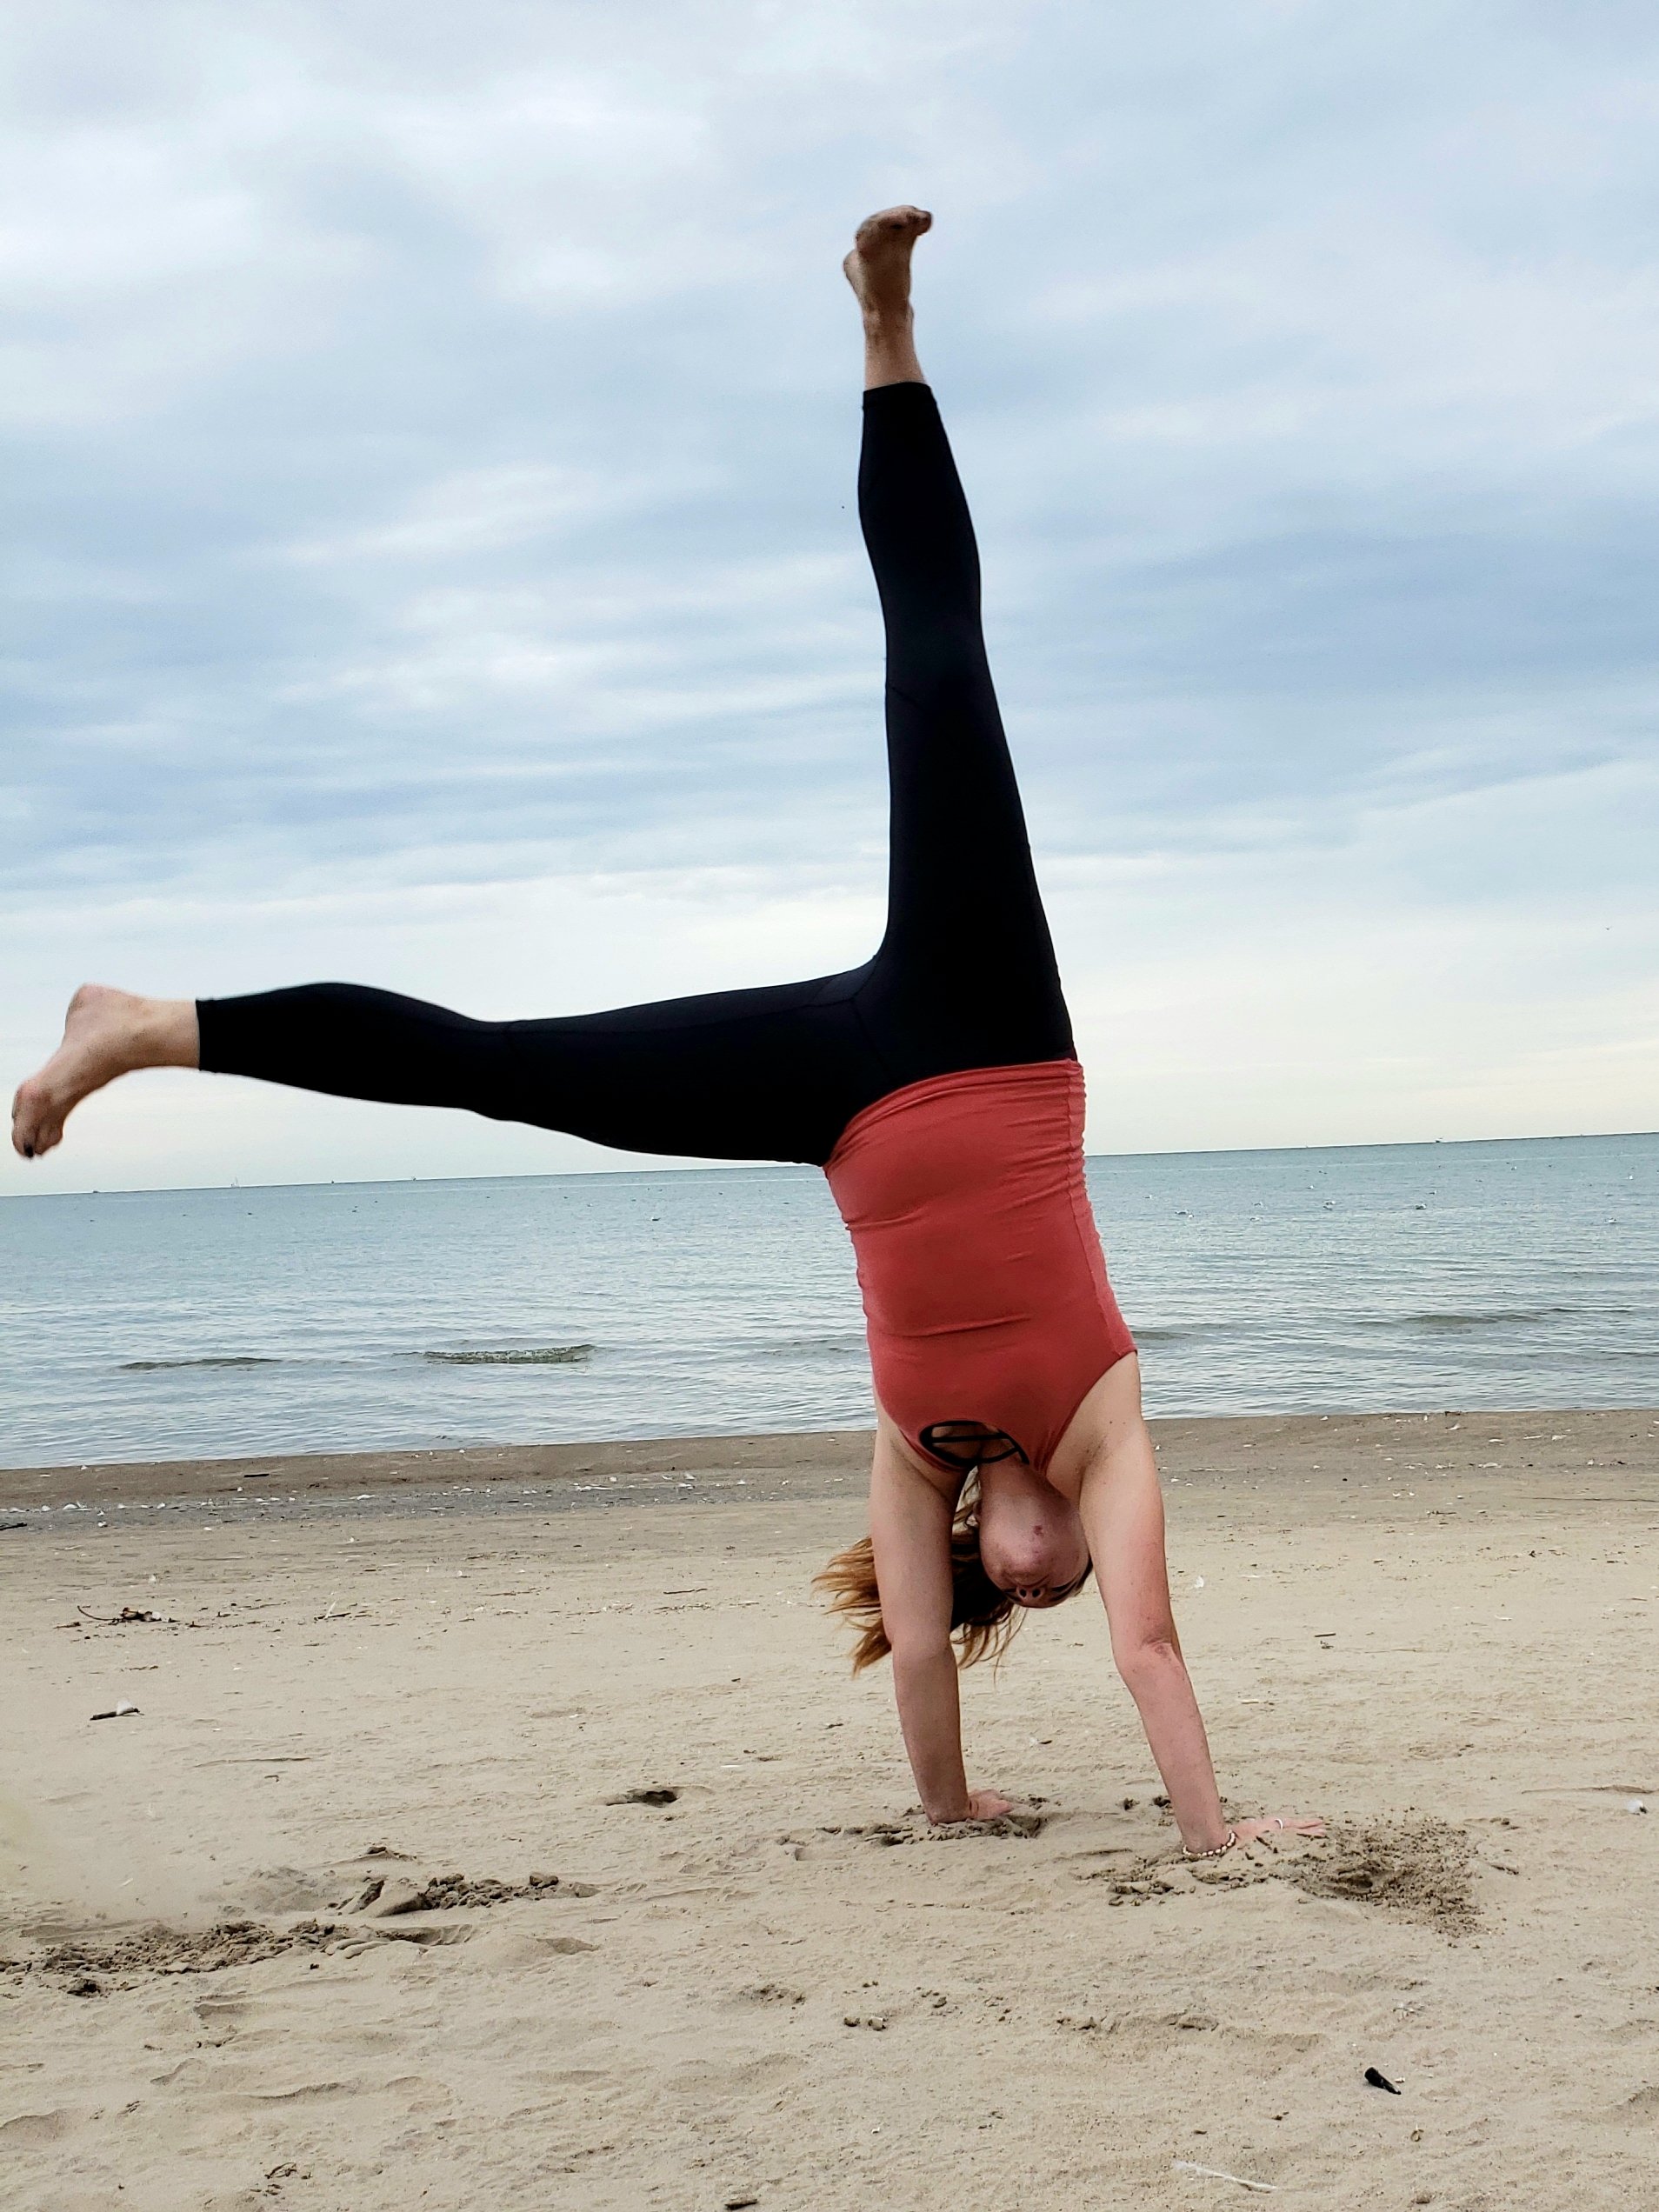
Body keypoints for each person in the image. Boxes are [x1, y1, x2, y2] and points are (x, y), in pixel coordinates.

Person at [12, 207, 1320, 1856]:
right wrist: (1212, 1834)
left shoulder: (917, 1464)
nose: (1047, 1576)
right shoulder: (1109, 1425)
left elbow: (916, 1650)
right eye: (1061, 1567)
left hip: (842, 1101)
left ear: (995, 1545)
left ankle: (151, 1026)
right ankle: (887, 329)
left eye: (1023, 1586)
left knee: (502, 1070)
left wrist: (950, 1804)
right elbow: (1149, 1642)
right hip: (993, 1036)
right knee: (940, 666)